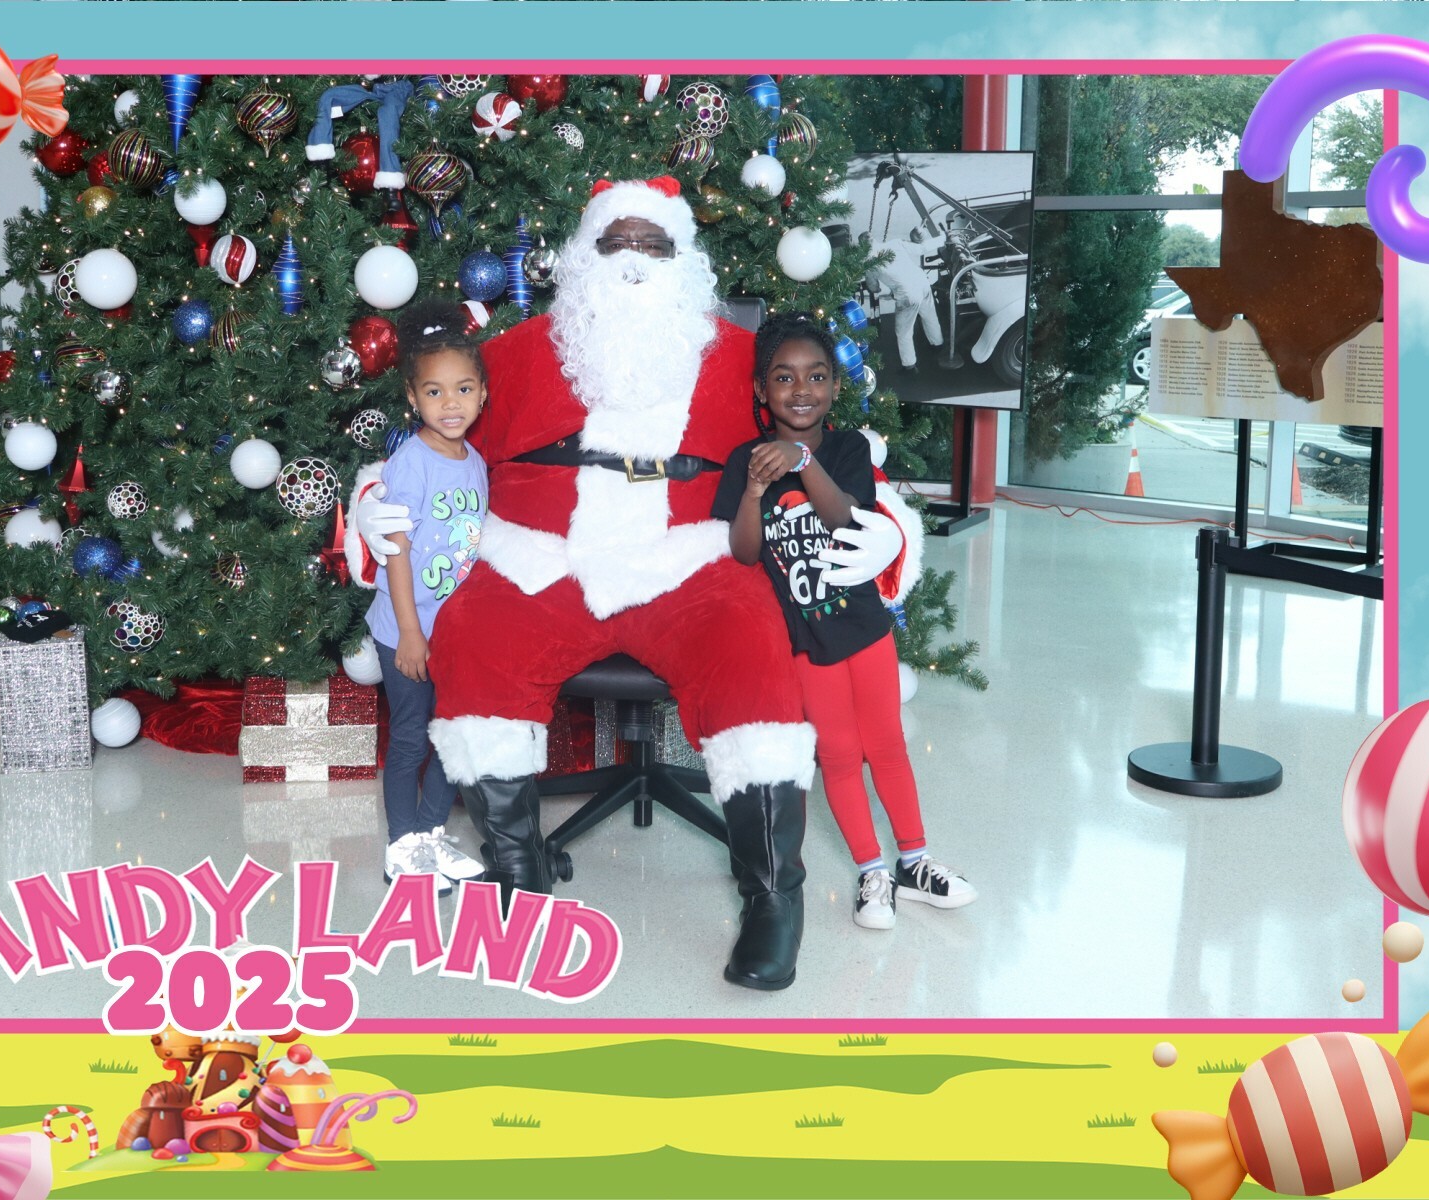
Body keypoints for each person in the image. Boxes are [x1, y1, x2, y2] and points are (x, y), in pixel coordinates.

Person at [346, 176, 923, 991]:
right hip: (539, 555)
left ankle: (772, 896)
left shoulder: (738, 357)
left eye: (653, 245)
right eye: (616, 242)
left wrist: (887, 528)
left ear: (683, 260)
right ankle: (519, 870)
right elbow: (432, 437)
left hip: (691, 555)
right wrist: (373, 505)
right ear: (585, 255)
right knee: (472, 637)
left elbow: (823, 440)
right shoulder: (516, 352)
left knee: (753, 651)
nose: (633, 261)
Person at [714, 313, 977, 931]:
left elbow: (844, 518)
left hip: (864, 628)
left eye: (816, 376)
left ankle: (914, 861)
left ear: (834, 386)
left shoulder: (847, 449)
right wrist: (753, 490)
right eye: (784, 377)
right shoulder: (745, 460)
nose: (801, 389)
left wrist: (803, 458)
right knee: (836, 754)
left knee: (885, 744)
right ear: (761, 389)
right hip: (806, 642)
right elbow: (745, 552)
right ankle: (871, 871)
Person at [361, 302, 490, 895]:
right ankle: (401, 844)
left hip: (455, 630)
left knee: (451, 734)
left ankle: (431, 835)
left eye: (463, 389)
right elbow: (396, 552)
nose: (451, 403)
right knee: (413, 735)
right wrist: (411, 632)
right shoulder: (411, 463)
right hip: (405, 630)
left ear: (482, 392)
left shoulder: (475, 463)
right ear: (413, 399)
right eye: (435, 392)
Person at [873, 226, 944, 371]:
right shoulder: (895, 243)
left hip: (908, 296)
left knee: (904, 332)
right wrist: (943, 238)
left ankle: (909, 366)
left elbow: (873, 287)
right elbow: (922, 248)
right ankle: (938, 345)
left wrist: (884, 290)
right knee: (930, 316)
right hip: (922, 283)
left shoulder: (870, 263)